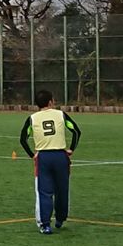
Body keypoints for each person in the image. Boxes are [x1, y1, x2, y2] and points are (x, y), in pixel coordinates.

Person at [19, 89, 83, 234]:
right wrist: (71, 149)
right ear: (50, 102)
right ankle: (60, 219)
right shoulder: (60, 114)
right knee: (62, 189)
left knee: (44, 191)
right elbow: (76, 131)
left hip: (43, 158)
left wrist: (32, 155)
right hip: (60, 156)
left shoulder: (32, 118)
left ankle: (45, 225)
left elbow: (23, 139)